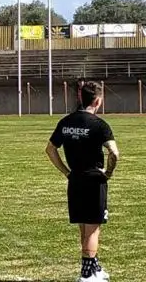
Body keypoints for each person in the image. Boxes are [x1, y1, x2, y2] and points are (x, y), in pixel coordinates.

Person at [47, 80, 120, 282]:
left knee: (84, 229)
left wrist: (66, 172)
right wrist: (109, 172)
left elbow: (50, 149)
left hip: (75, 179)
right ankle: (86, 275)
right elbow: (114, 152)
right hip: (94, 181)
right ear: (97, 101)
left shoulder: (66, 121)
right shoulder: (99, 125)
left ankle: (94, 268)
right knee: (93, 230)